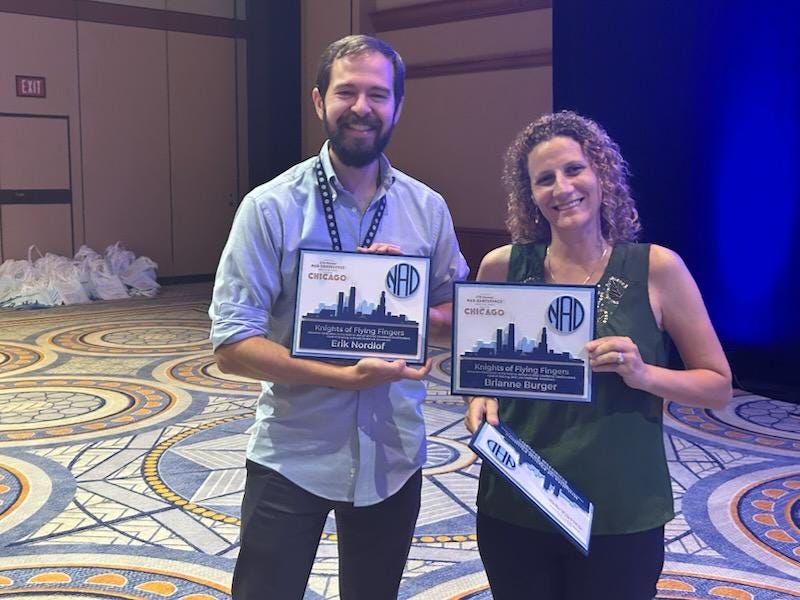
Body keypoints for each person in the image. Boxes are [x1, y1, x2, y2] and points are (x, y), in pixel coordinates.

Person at [210, 35, 468, 599]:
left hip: (393, 454)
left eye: (378, 94)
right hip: (292, 454)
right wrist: (342, 376)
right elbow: (232, 344)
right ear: (318, 101)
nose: (361, 107)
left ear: (398, 105)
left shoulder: (427, 210)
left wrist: (409, 298)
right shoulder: (270, 207)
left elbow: (463, 315)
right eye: (346, 91)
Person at [464, 111, 731, 600]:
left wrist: (645, 373)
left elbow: (717, 385)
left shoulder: (657, 268)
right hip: (516, 500)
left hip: (620, 509)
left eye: (573, 170)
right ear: (530, 195)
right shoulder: (501, 268)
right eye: (544, 179)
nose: (562, 188)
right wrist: (479, 398)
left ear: (601, 174)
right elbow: (485, 372)